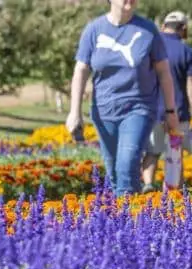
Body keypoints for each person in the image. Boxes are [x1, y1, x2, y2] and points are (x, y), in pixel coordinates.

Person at [66, 0, 179, 196]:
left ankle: (126, 219)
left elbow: (164, 72)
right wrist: (74, 112)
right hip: (104, 111)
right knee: (114, 173)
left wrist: (170, 110)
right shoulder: (94, 30)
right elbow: (81, 70)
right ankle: (130, 217)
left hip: (139, 108)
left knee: (127, 163)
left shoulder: (148, 30)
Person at [140, 11, 192, 192]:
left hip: (152, 111)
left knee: (151, 151)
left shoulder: (149, 49)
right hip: (178, 110)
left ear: (163, 27)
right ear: (184, 29)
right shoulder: (187, 52)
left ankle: (148, 184)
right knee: (174, 154)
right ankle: (173, 195)